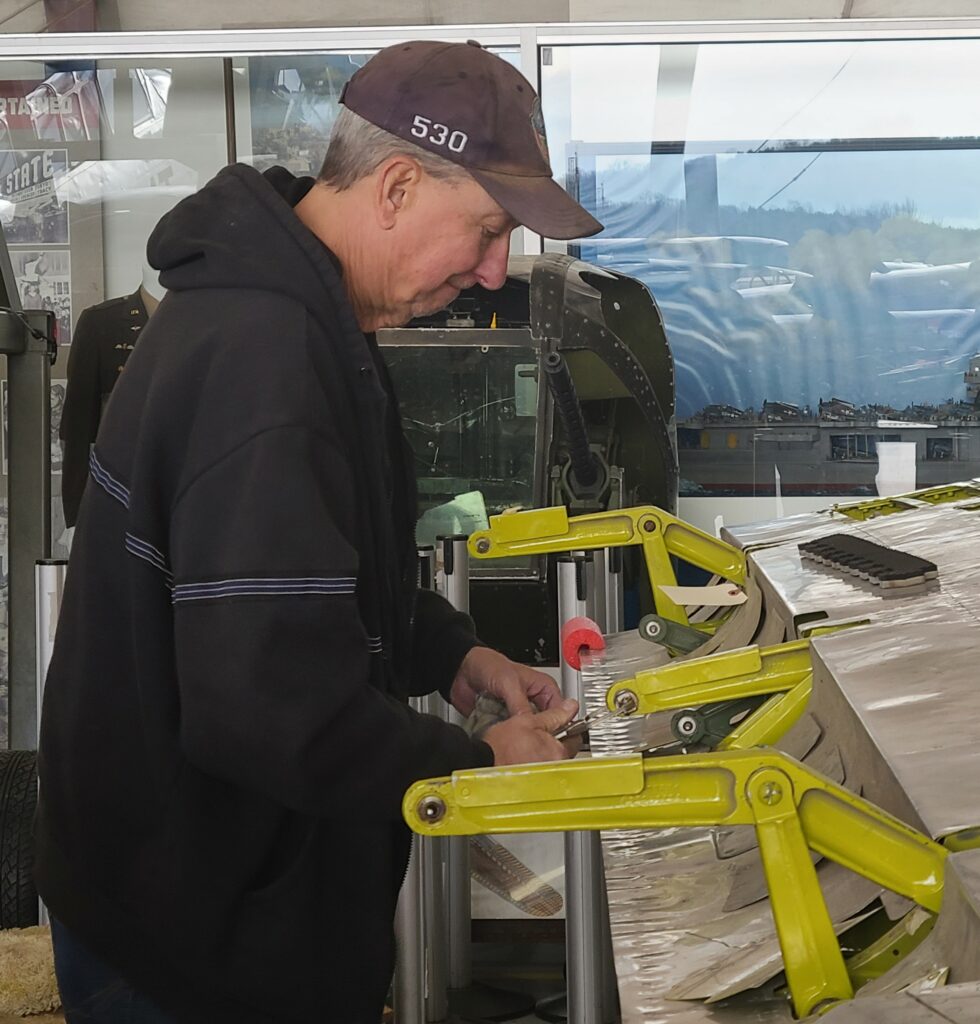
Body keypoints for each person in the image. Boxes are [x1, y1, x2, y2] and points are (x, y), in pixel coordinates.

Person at [35, 39, 603, 1024]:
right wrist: (476, 768)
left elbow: (317, 571)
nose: (491, 269)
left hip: (207, 900)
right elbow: (265, 704)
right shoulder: (266, 358)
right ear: (392, 187)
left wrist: (453, 652)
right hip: (190, 943)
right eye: (484, 228)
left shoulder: (302, 324)